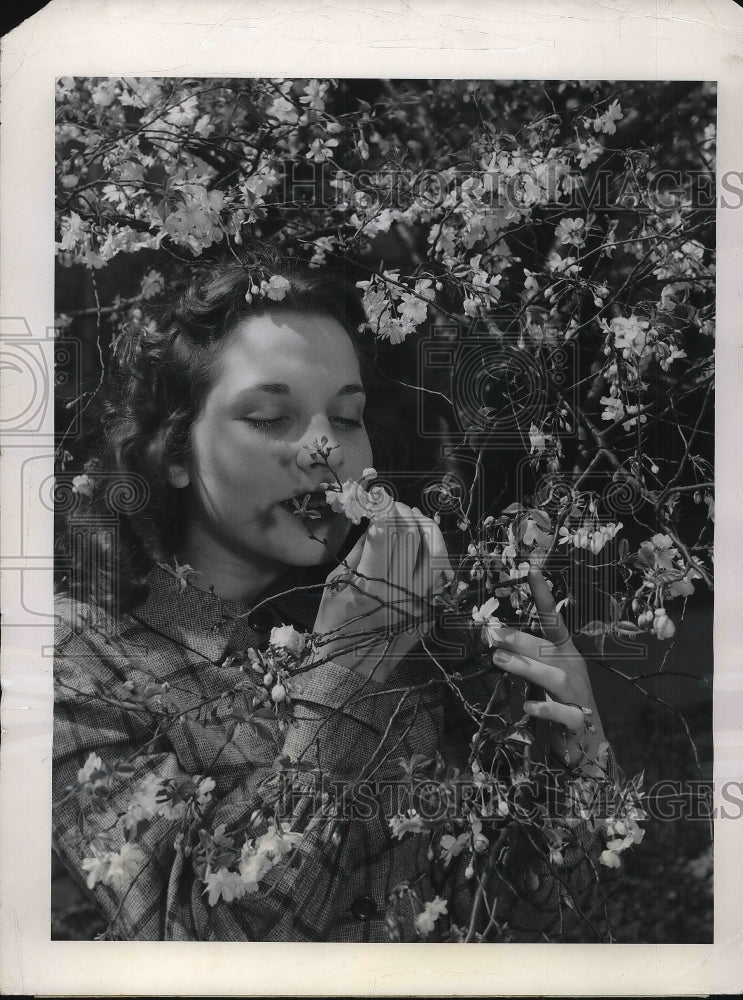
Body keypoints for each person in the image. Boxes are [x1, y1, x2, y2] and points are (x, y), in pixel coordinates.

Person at [53, 244, 627, 943]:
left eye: (347, 417)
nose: (326, 449)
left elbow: (544, 932)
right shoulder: (79, 656)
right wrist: (347, 671)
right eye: (270, 418)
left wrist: (574, 754)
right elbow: (197, 946)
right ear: (175, 452)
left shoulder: (404, 625)